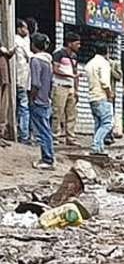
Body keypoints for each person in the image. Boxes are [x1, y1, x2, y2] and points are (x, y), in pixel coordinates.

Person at [28, 33, 55, 169]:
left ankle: (47, 159)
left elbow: (35, 83)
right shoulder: (48, 61)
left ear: (33, 45)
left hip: (38, 100)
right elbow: (50, 83)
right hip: (46, 99)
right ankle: (48, 157)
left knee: (42, 131)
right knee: (46, 130)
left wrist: (32, 98)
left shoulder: (35, 60)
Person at [50, 32, 80, 145]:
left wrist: (76, 89)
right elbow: (55, 69)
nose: (79, 46)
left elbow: (76, 73)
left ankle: (70, 137)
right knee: (57, 113)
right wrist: (70, 76)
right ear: (69, 43)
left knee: (72, 113)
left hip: (71, 87)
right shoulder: (58, 54)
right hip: (60, 86)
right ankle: (55, 136)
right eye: (77, 43)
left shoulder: (74, 57)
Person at [85, 42, 113, 156]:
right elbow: (105, 82)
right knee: (107, 123)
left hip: (92, 96)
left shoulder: (90, 63)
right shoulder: (104, 64)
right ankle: (96, 146)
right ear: (106, 52)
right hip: (101, 96)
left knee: (98, 123)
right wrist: (110, 94)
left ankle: (100, 147)